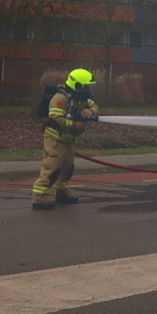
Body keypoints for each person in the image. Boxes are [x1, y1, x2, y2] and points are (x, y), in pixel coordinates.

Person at [32, 69, 100, 210]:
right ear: (77, 85)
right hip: (55, 138)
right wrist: (76, 125)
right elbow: (56, 119)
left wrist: (91, 111)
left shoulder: (81, 96)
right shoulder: (60, 98)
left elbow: (94, 105)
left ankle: (62, 193)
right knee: (52, 168)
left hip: (68, 138)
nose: (88, 89)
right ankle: (39, 198)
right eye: (85, 86)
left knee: (67, 168)